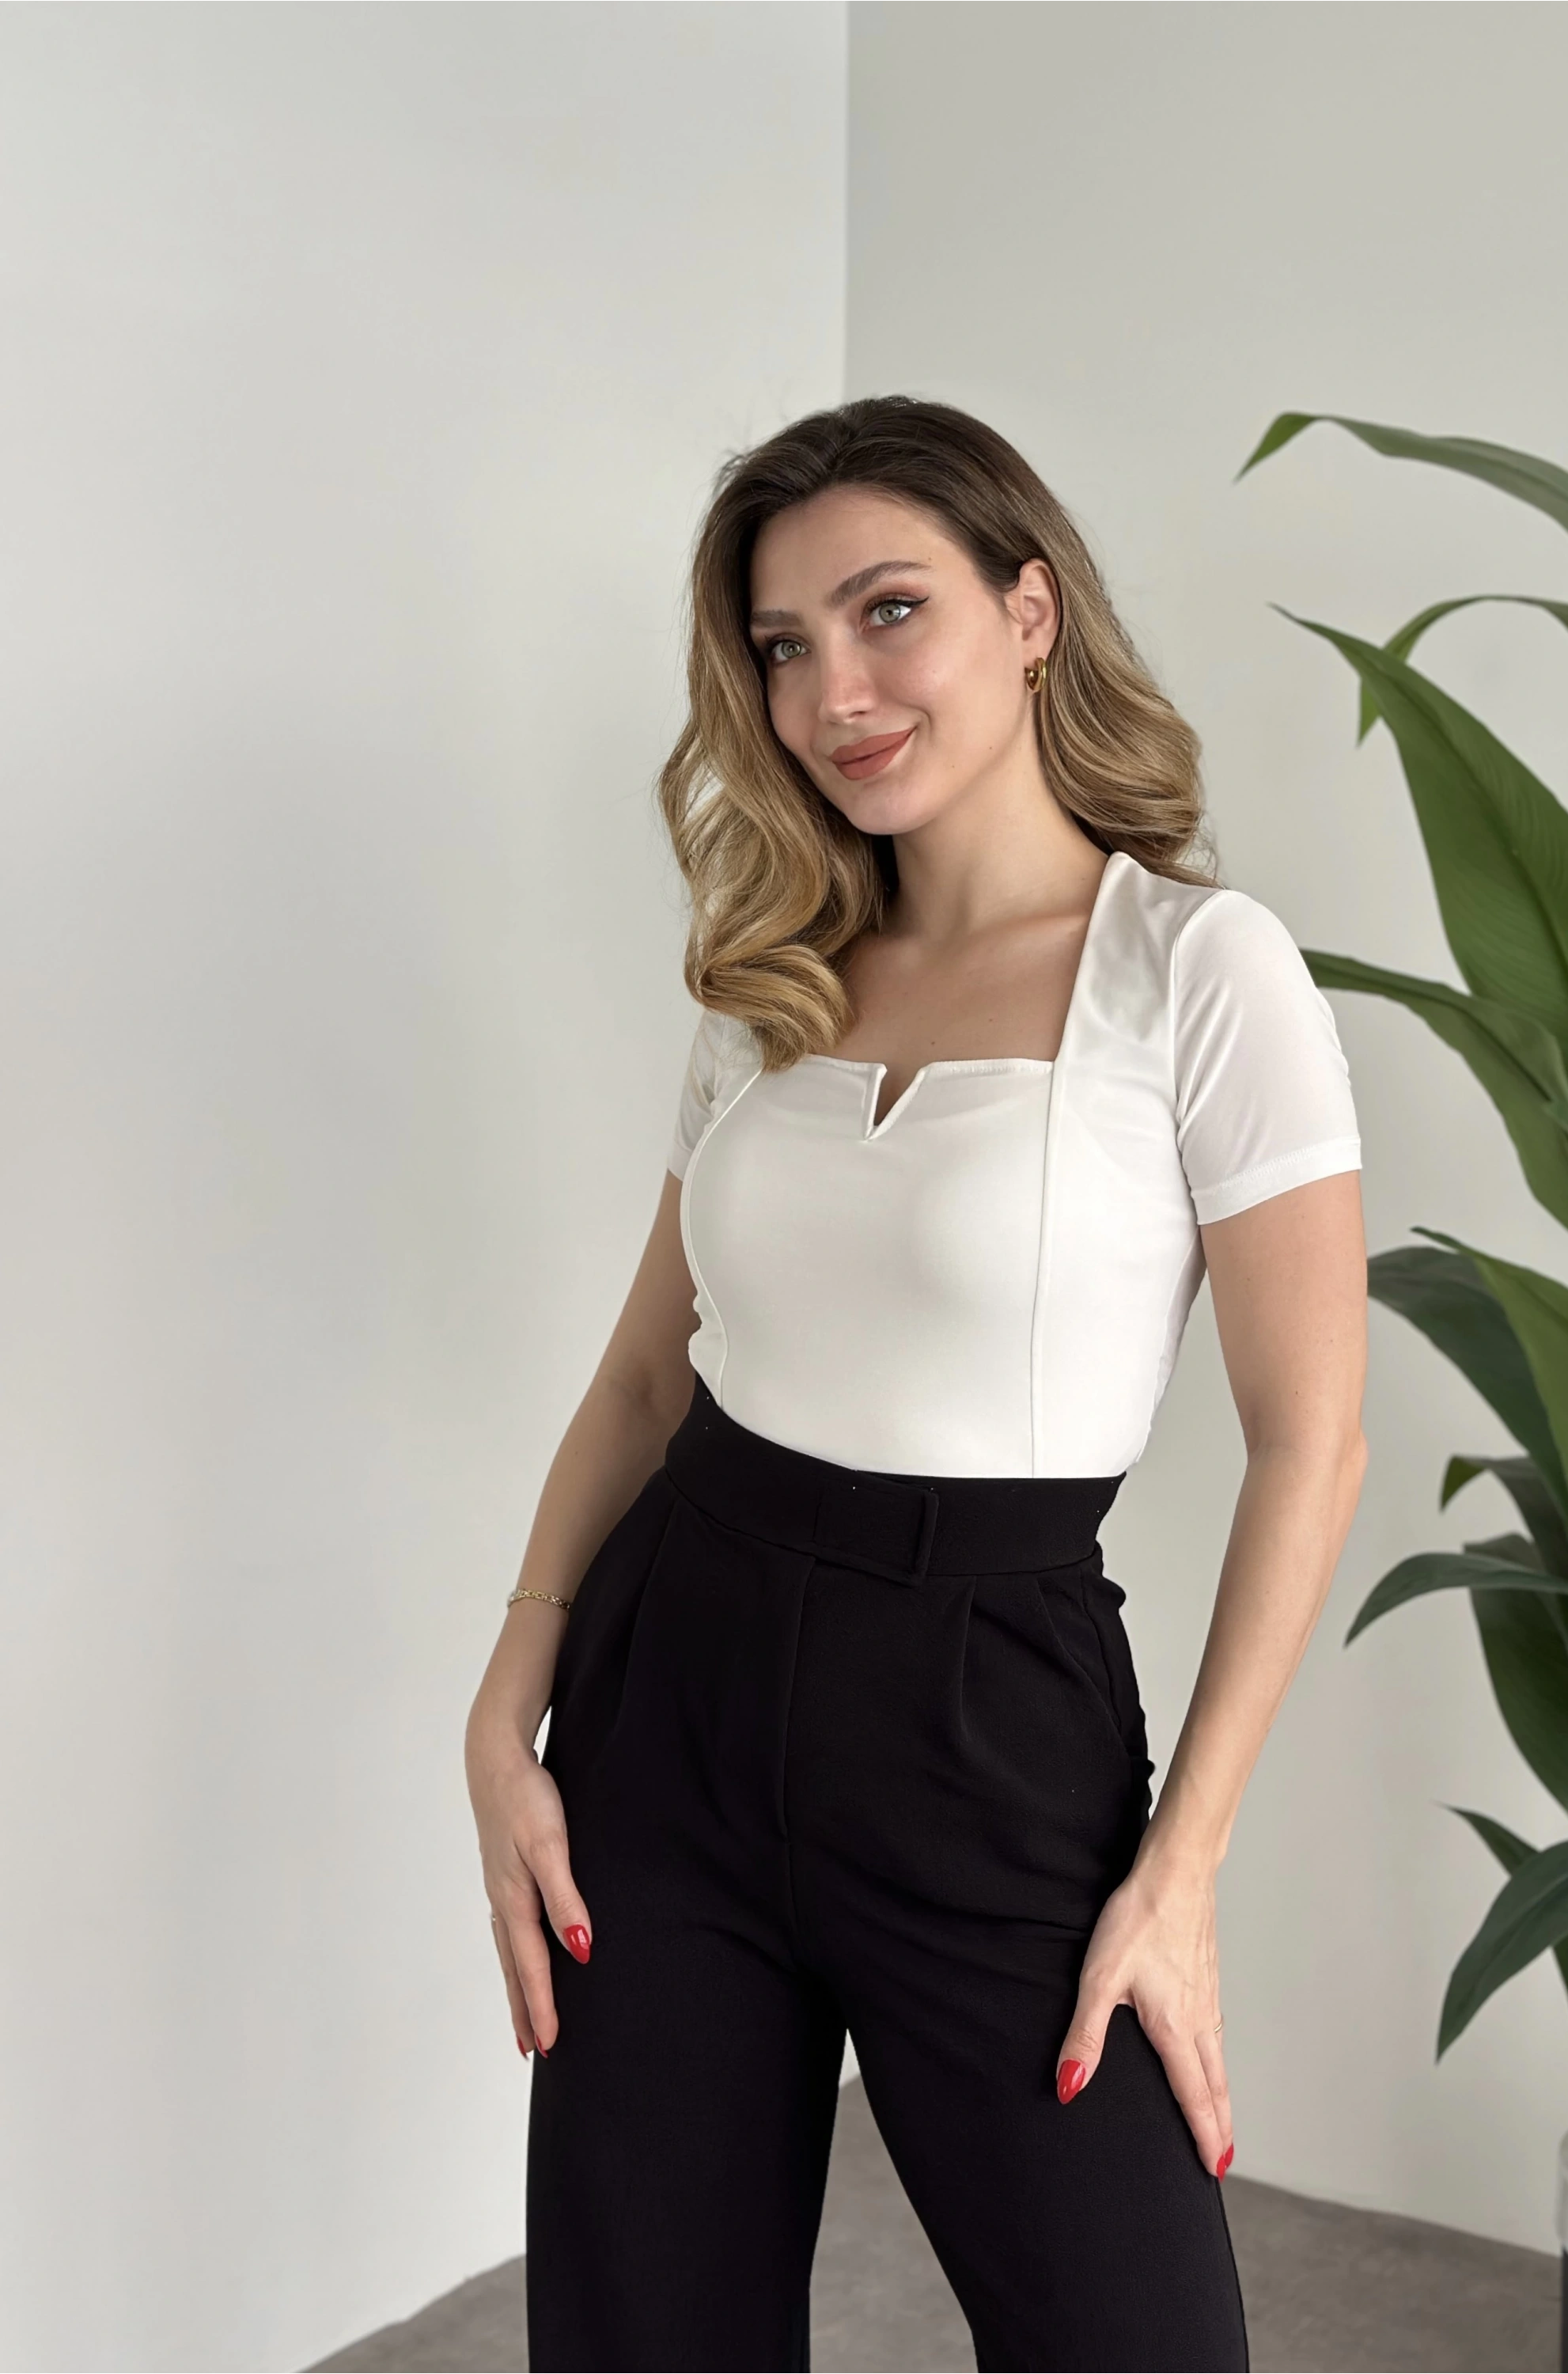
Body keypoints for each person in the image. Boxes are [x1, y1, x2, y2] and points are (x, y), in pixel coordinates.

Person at [464, 394, 1369, 2373]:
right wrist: (505, 1699)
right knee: (644, 2331)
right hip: (667, 1698)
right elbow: (644, 1382)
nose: (833, 695)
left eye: (888, 612)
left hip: (988, 1717)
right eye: (783, 647)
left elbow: (1312, 1438)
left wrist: (1181, 1865)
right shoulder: (771, 971)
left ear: (1028, 613)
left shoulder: (1194, 974)